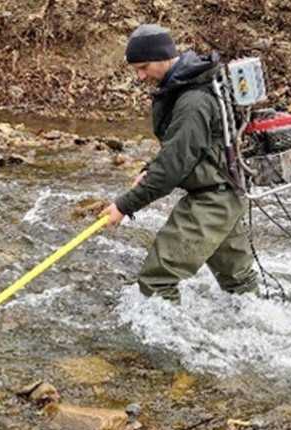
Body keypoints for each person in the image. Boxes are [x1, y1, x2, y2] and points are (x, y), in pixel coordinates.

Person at [99, 24, 259, 302]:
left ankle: (166, 346)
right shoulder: (194, 83)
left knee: (156, 281)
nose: (140, 76)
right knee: (240, 286)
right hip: (228, 194)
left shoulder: (193, 100)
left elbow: (173, 165)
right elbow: (183, 147)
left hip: (212, 201)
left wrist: (124, 206)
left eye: (144, 67)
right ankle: (262, 332)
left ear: (164, 57)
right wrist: (150, 167)